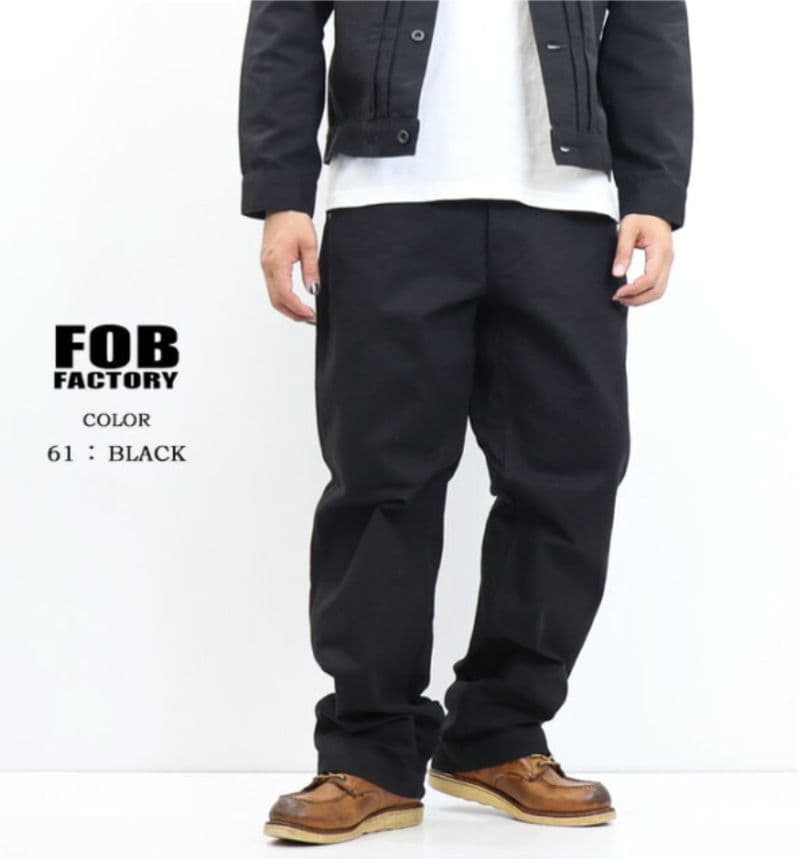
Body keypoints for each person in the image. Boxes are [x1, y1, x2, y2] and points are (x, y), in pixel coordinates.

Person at [238, 0, 692, 845]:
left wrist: (655, 192)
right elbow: (284, 25)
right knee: (381, 482)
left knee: (568, 478)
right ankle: (367, 755)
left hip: (567, 212)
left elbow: (648, 26)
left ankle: (498, 735)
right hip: (384, 202)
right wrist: (280, 195)